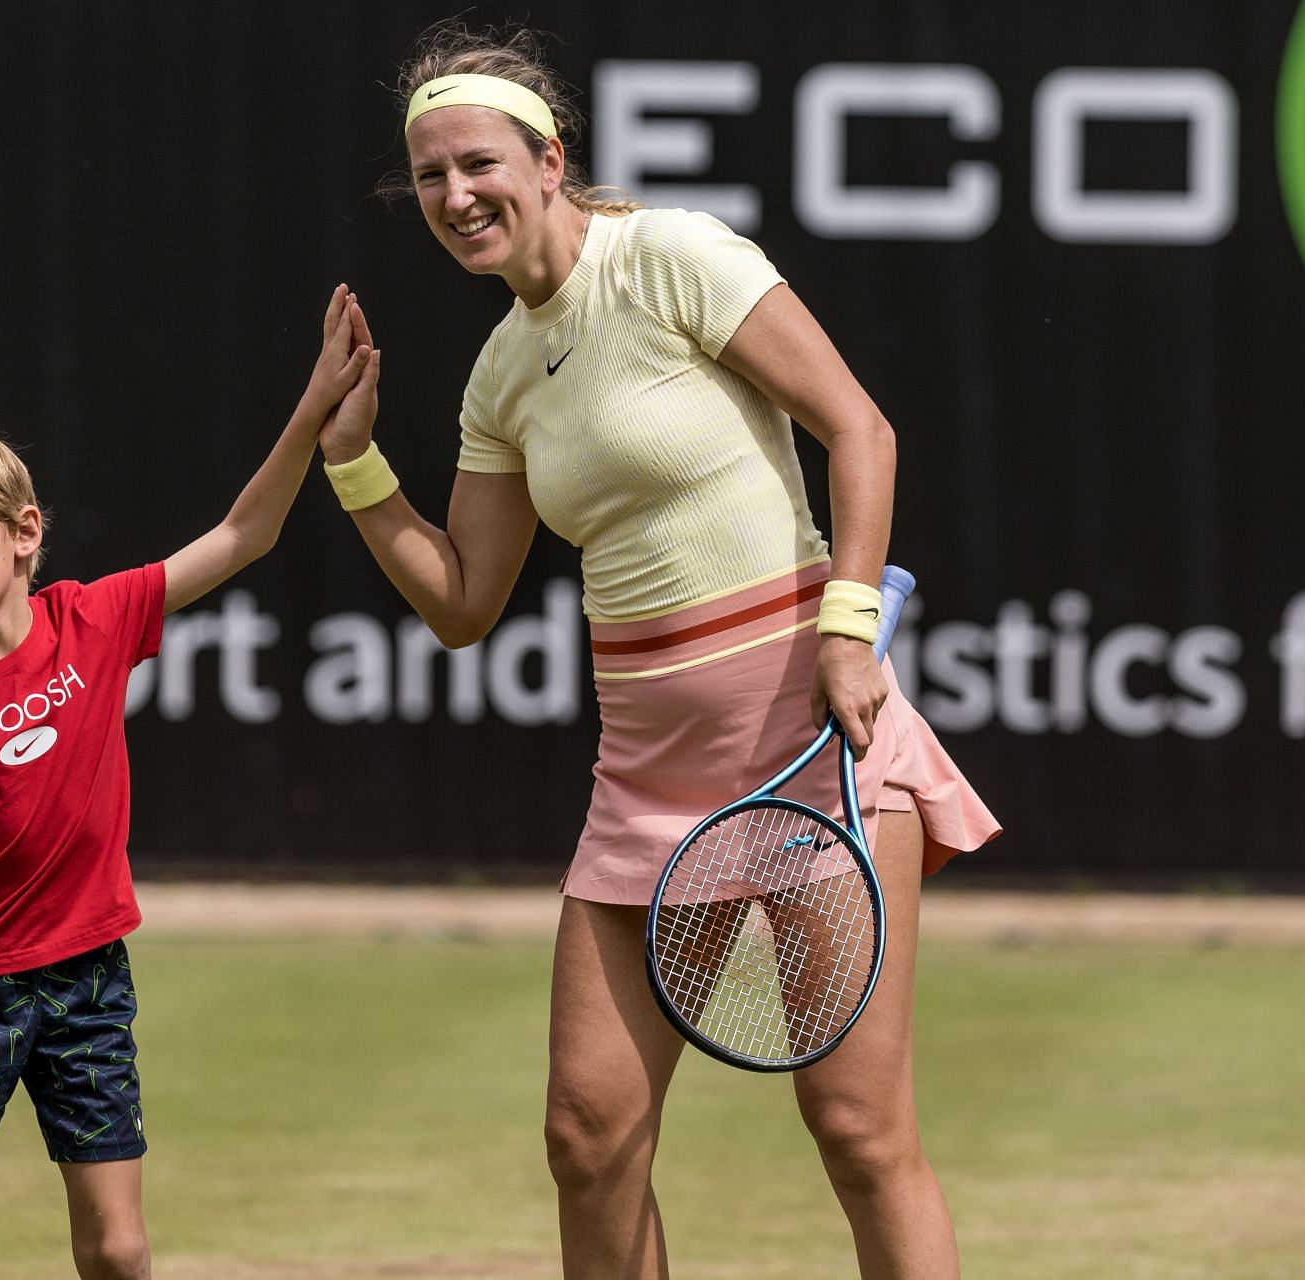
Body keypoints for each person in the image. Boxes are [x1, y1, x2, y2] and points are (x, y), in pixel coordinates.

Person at [318, 26, 1001, 1280]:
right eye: (430, 177)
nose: (457, 196)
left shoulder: (675, 255)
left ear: (547, 159)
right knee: (588, 1133)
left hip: (811, 741)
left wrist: (850, 632)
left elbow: (860, 428)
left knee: (857, 1126)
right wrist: (354, 459)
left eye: (478, 164)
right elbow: (465, 599)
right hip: (645, 774)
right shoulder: (500, 374)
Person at [0, 286, 379, 1280]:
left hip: (87, 985)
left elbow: (244, 533)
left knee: (119, 1248)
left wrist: (314, 406)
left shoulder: (94, 620)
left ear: (23, 531)